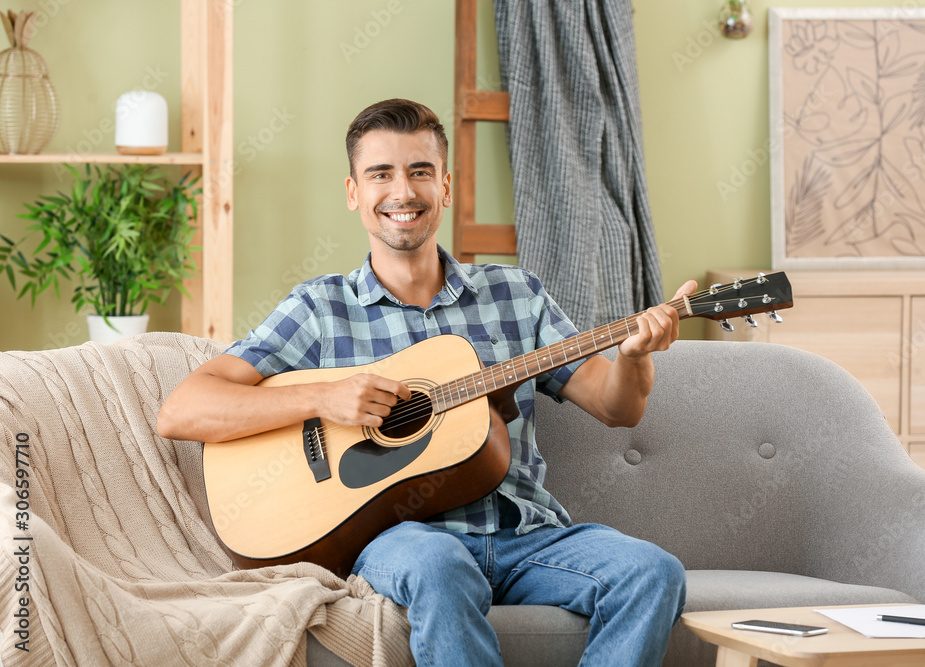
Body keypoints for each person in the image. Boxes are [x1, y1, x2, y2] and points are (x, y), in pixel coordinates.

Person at [158, 98, 694, 666]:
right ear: (353, 193)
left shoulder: (516, 295)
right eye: (380, 174)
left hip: (526, 534)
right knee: (439, 567)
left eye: (419, 172)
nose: (402, 192)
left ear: (445, 187)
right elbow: (184, 410)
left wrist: (635, 356)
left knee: (652, 573)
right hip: (406, 542)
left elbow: (618, 410)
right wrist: (323, 396)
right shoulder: (320, 308)